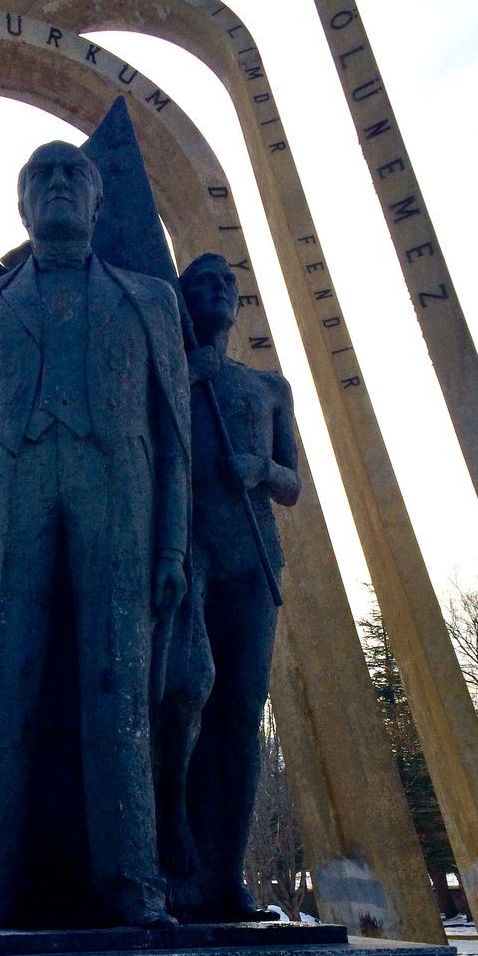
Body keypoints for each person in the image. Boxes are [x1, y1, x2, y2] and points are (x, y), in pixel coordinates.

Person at [0, 140, 191, 930]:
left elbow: (173, 432)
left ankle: (134, 886)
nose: (58, 186)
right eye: (40, 177)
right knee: (1, 687)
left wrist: (173, 545)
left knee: (119, 684)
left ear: (98, 200)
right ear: (21, 206)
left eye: (73, 174)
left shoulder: (150, 298)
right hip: (9, 501)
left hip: (122, 498)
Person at [169, 253, 300, 920]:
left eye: (226, 284)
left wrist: (259, 468)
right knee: (178, 707)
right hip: (186, 556)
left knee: (239, 721)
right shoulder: (175, 373)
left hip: (251, 560)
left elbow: (293, 483)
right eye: (202, 285)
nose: (217, 292)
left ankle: (226, 874)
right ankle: (173, 864)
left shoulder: (269, 387)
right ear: (185, 300)